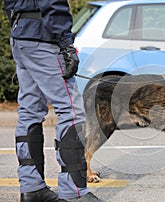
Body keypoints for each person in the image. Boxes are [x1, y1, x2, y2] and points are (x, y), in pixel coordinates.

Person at [4, 1, 102, 201]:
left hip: (22, 35)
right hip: (43, 37)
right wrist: (66, 43)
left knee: (29, 111)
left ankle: (32, 188)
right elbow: (52, 3)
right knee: (71, 111)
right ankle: (74, 192)